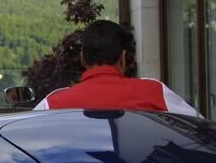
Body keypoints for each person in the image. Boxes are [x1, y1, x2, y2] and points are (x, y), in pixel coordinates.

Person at [33, 19, 199, 116]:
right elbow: (202, 132)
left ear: (83, 58)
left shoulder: (53, 104)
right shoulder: (155, 93)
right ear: (123, 58)